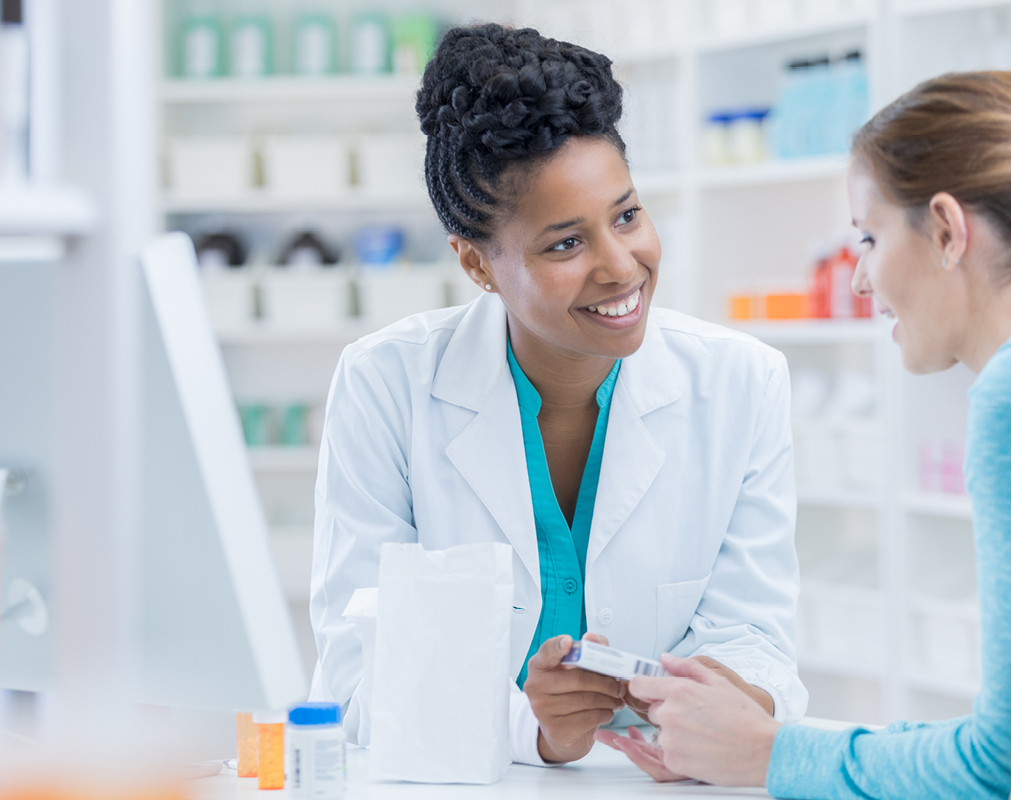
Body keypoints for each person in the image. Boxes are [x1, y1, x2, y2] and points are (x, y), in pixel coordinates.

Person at [599, 71, 1011, 798]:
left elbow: (1004, 767)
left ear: (947, 229)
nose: (858, 280)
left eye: (869, 237)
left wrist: (765, 758)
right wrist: (766, 743)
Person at [307, 23, 808, 767]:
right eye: (565, 244)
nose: (621, 267)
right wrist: (536, 730)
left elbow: (757, 634)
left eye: (628, 215)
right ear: (477, 265)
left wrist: (718, 710)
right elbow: (358, 675)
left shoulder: (740, 382)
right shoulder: (387, 385)